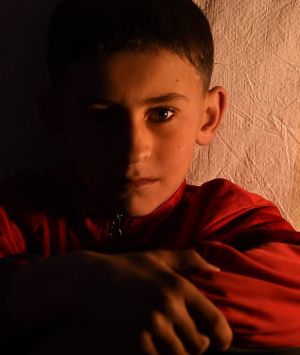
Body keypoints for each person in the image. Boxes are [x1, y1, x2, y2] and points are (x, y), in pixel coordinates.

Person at [0, 0, 300, 354]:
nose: (133, 150)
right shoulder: (21, 209)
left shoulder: (221, 212)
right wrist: (81, 282)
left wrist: (128, 300)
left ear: (208, 116)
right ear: (56, 119)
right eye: (101, 116)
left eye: (162, 113)